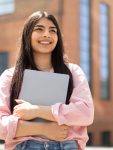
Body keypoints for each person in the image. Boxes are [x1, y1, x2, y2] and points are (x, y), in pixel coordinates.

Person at [0, 11, 94, 150]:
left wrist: (37, 111)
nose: (47, 34)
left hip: (66, 146)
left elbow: (85, 114)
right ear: (27, 35)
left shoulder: (73, 72)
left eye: (52, 30)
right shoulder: (10, 76)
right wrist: (43, 128)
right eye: (39, 29)